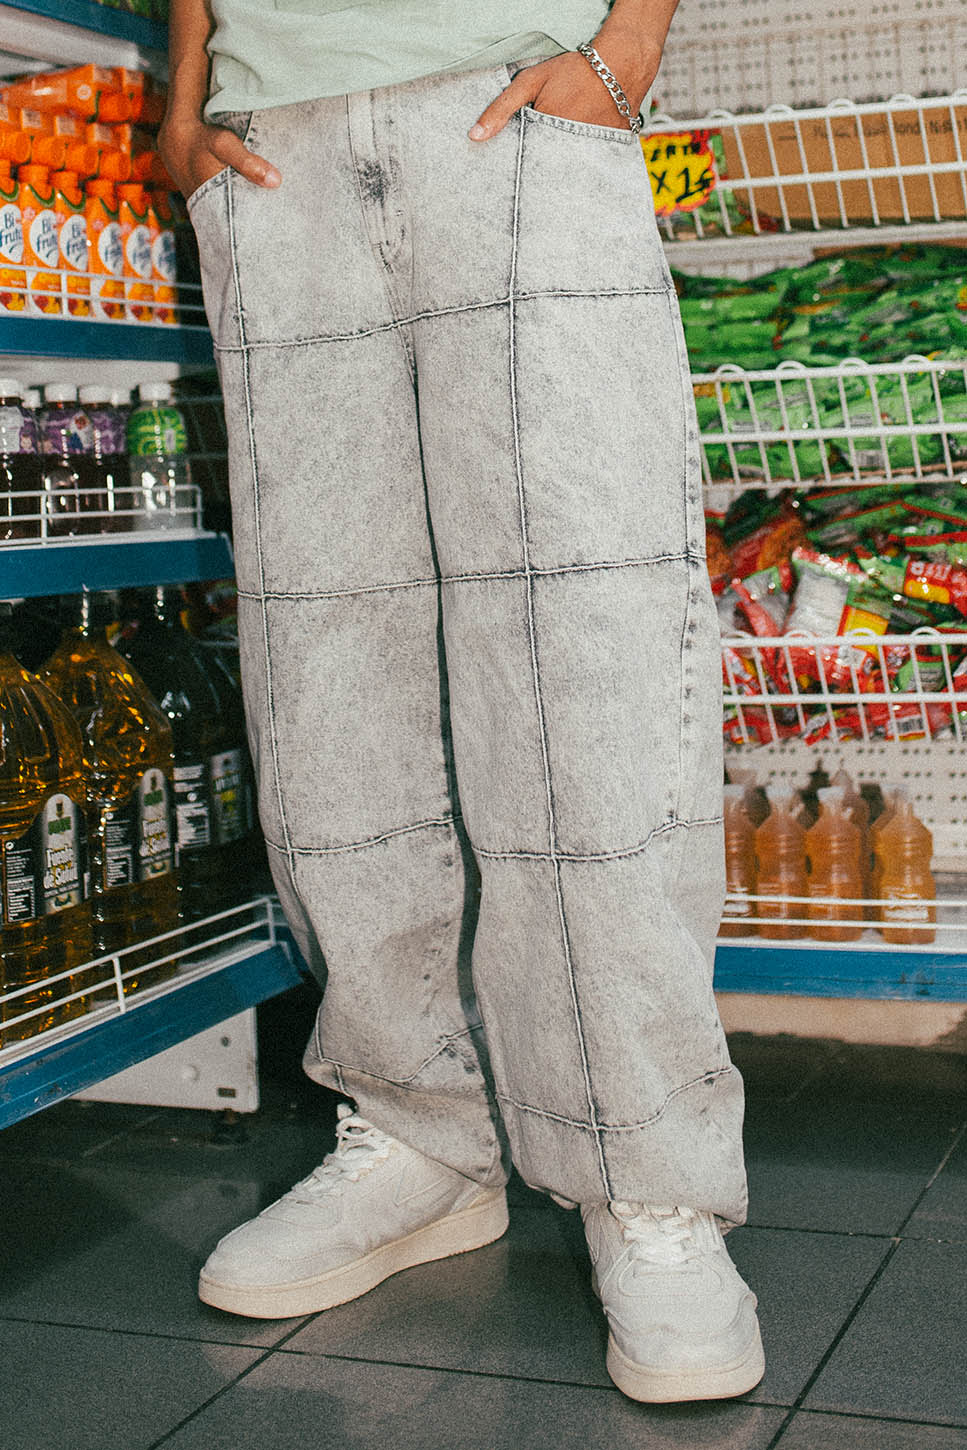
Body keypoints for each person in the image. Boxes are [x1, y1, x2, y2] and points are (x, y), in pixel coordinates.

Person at [160, 0, 765, 1405]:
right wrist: (185, 99)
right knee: (328, 659)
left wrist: (631, 42)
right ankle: (415, 1127)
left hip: (514, 105)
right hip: (274, 146)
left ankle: (647, 1179)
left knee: (588, 646)